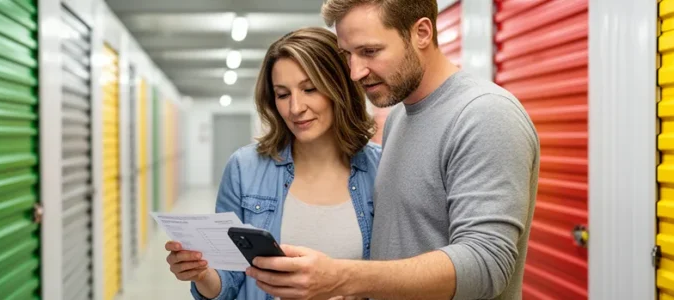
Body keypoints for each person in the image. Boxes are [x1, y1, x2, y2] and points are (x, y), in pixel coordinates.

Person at [244, 1, 540, 300]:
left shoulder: (484, 114)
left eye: (370, 51)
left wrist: (344, 278)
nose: (356, 72)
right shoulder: (400, 116)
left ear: (422, 33)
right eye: (348, 55)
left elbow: (486, 264)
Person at [163, 27, 381, 300]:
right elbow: (229, 280)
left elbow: (394, 275)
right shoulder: (245, 168)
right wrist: (201, 274)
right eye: (282, 94)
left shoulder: (381, 169)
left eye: (309, 89)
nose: (295, 108)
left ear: (340, 87)